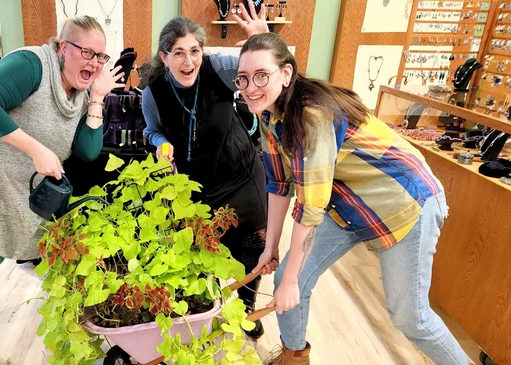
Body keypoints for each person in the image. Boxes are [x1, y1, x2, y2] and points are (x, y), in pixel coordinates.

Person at [237, 33, 469, 364]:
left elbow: (311, 206)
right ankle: (294, 358)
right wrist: (270, 249)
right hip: (347, 203)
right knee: (290, 276)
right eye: (243, 78)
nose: (250, 87)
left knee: (410, 318)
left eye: (261, 75)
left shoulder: (311, 116)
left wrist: (289, 284)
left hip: (404, 201)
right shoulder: (268, 113)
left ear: (286, 74)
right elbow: (278, 183)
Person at [0, 16, 123, 355]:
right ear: (63, 47)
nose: (94, 63)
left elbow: (87, 150)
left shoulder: (81, 89)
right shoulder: (32, 65)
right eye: (86, 52)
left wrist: (96, 98)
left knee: (47, 241)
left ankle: (77, 307)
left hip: (17, 172)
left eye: (100, 56)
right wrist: (36, 149)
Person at [141, 5, 269, 339]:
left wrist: (259, 37)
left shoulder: (221, 68)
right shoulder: (152, 94)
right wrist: (161, 143)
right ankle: (206, 308)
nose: (189, 62)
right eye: (179, 53)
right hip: (195, 185)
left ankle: (245, 306)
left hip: (241, 173)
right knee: (198, 247)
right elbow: (152, 130)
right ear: (164, 56)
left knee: (252, 245)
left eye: (195, 51)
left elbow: (261, 67)